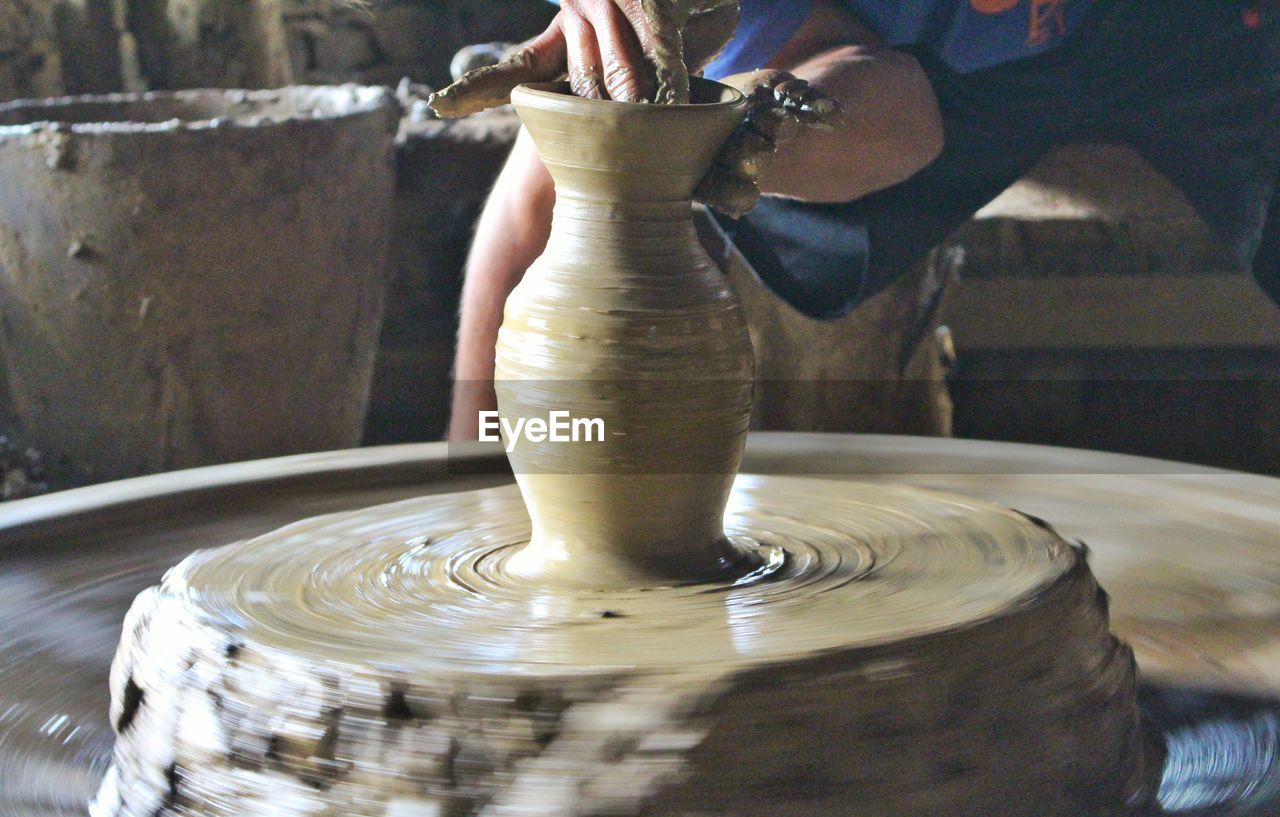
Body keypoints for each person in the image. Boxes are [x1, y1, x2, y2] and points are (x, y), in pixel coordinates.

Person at [436, 0, 1280, 440]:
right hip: (924, 67)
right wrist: (479, 439)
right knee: (668, 124)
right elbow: (550, 174)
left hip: (1186, 24)